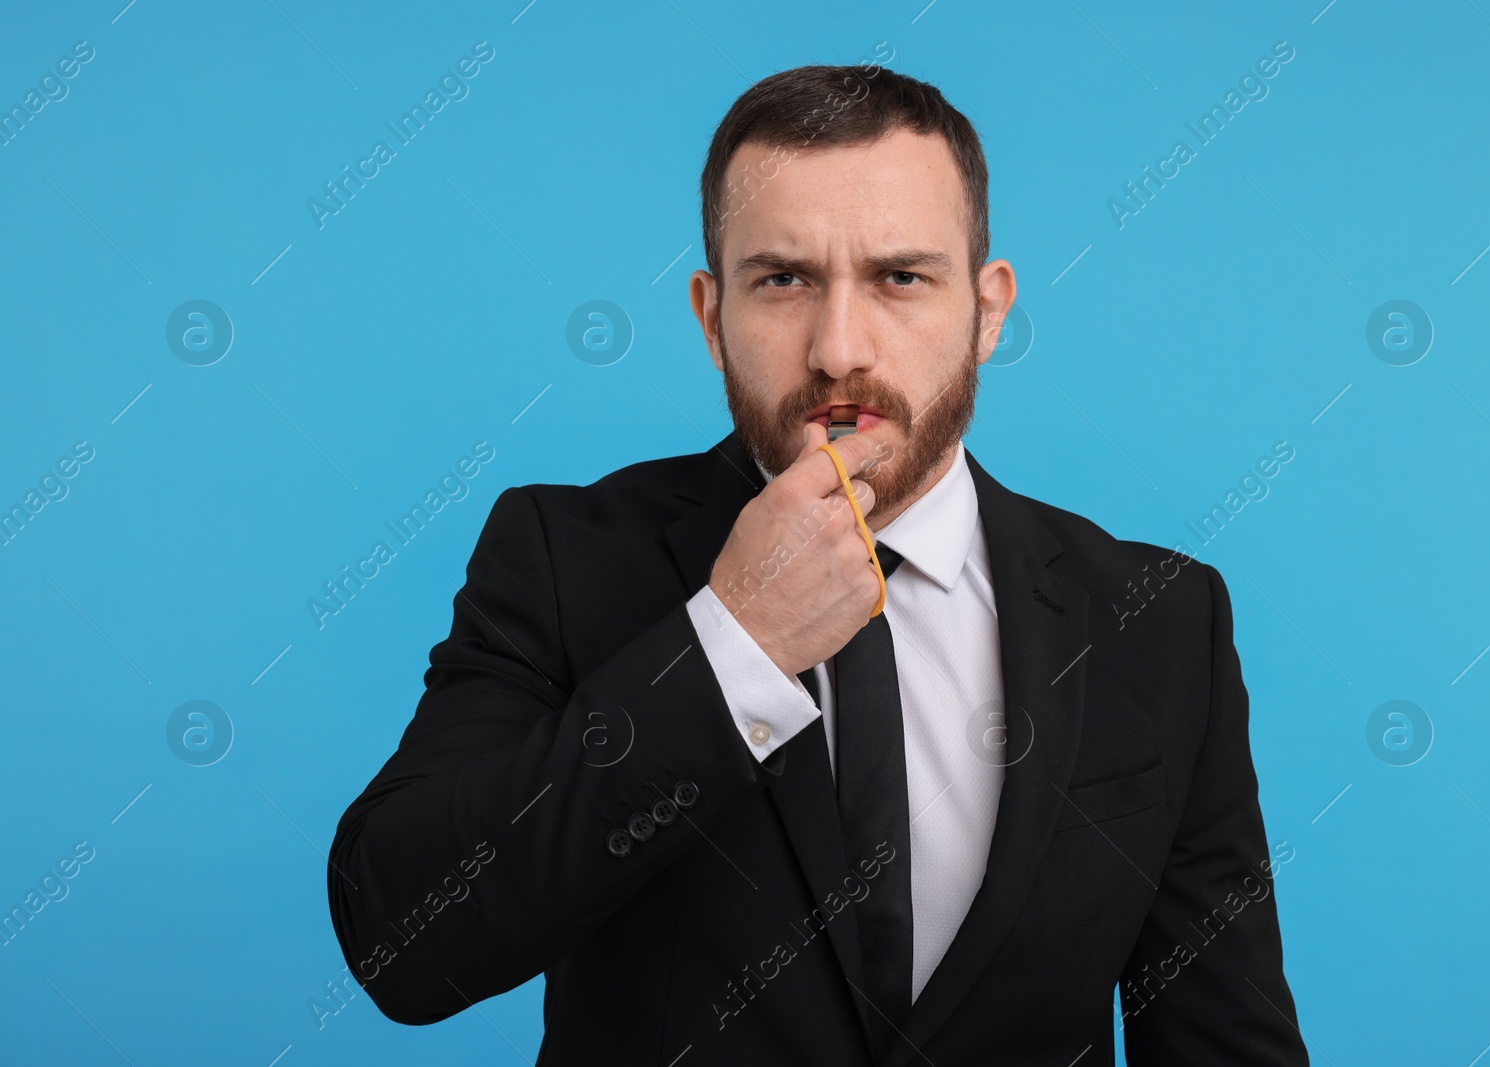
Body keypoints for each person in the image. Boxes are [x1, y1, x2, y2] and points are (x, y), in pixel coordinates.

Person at [327, 63, 1311, 1066]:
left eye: (900, 276)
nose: (838, 348)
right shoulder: (562, 558)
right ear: (711, 317)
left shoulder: (1156, 620)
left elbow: (1224, 1044)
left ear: (988, 309)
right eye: (784, 279)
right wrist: (733, 644)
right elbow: (404, 945)